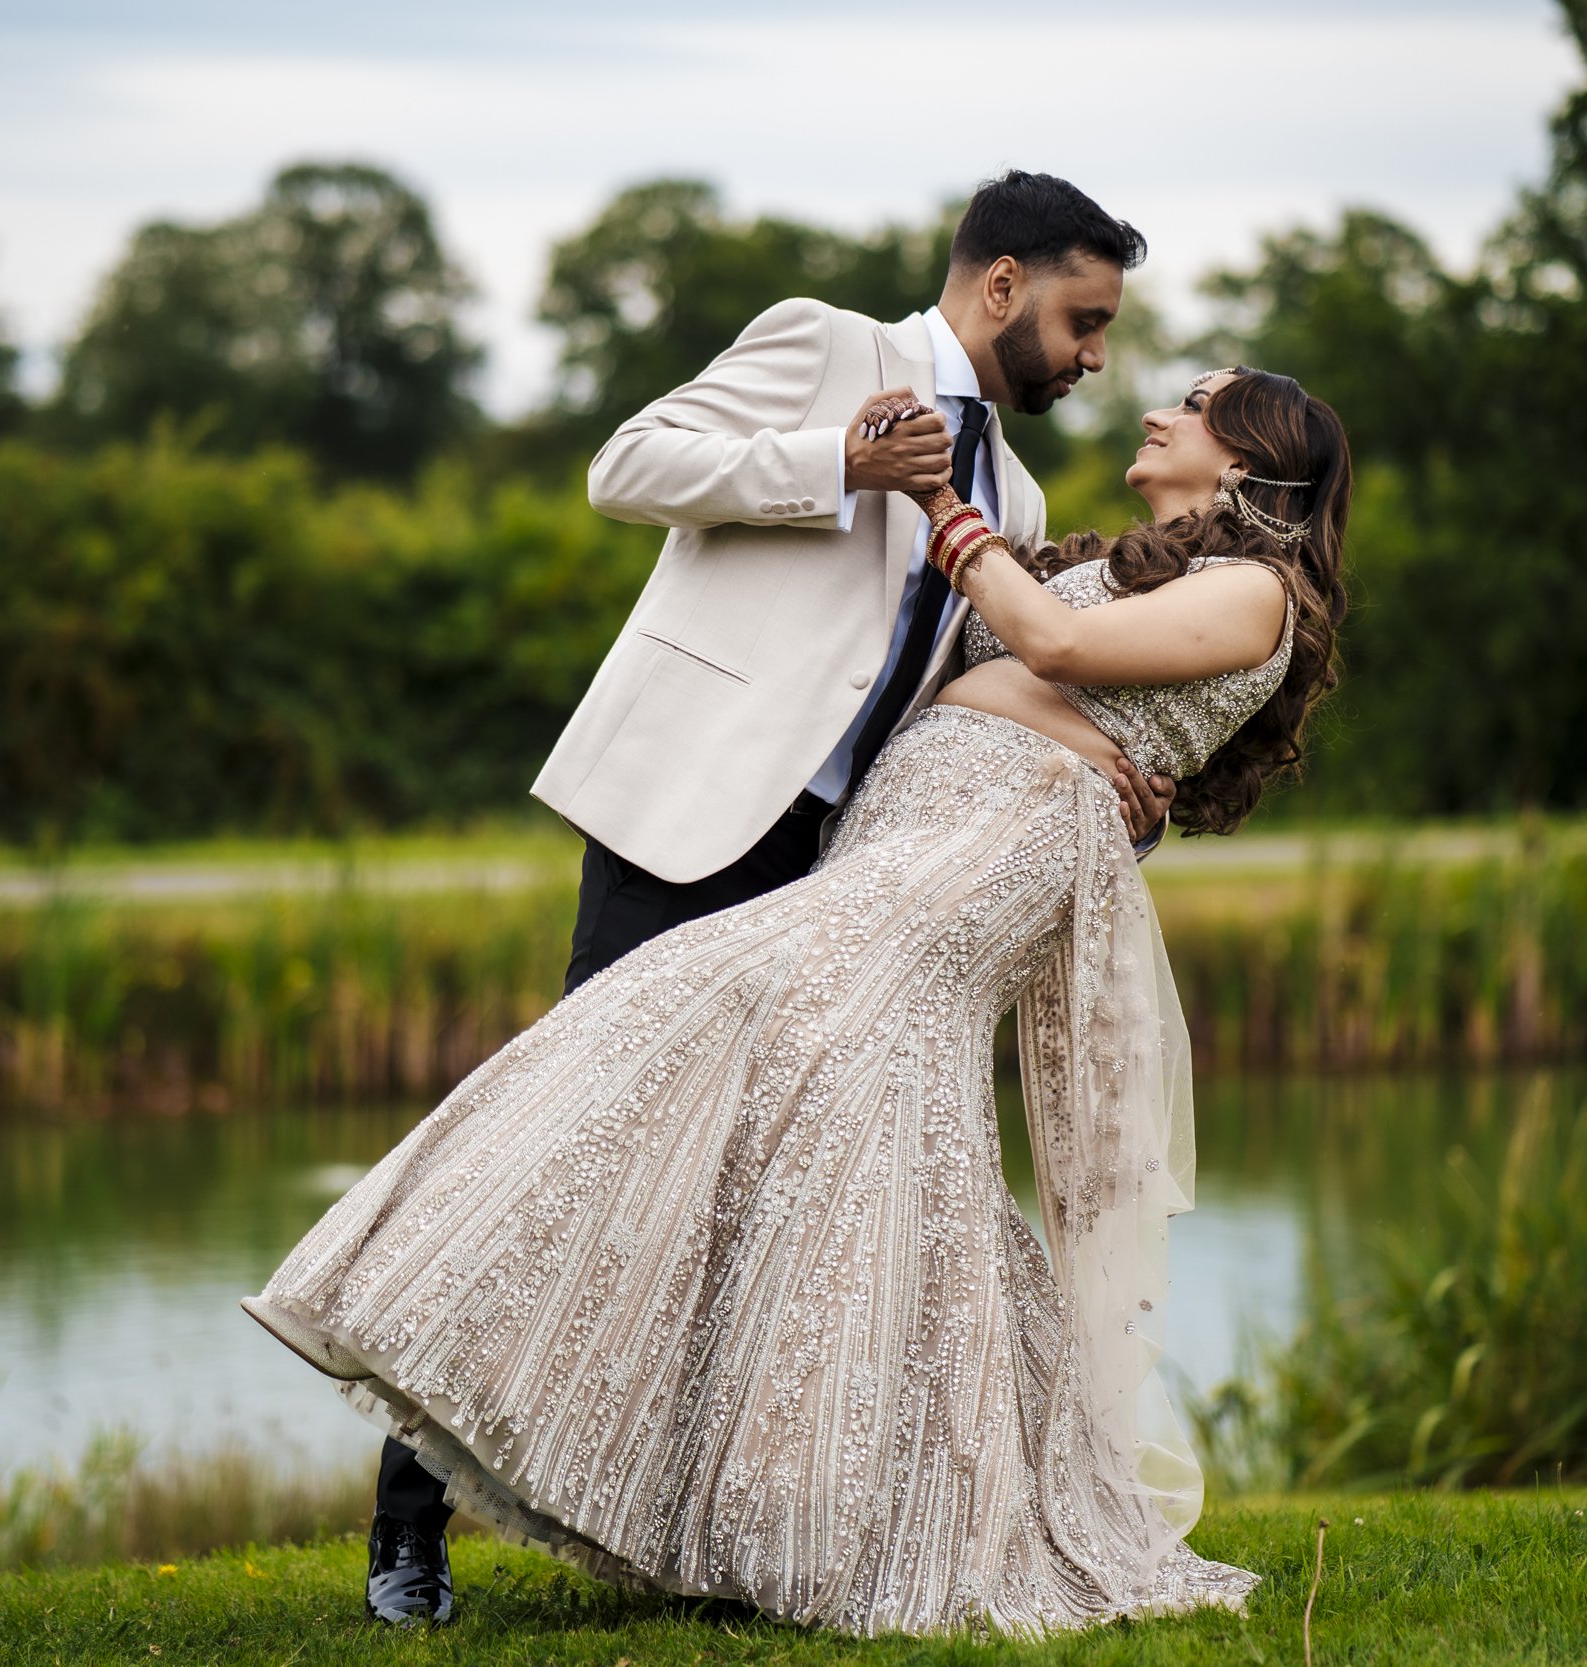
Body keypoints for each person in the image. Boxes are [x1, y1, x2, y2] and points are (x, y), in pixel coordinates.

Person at [244, 359, 1352, 1636]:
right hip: (859, 829)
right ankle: (787, 1501)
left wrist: (945, 509)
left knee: (673, 1024)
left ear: (1248, 454)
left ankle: (487, 1351)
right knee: (843, 1142)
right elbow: (1005, 678)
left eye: (1193, 402)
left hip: (958, 869)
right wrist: (1066, 715)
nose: (1146, 398)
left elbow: (1053, 647)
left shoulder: (1248, 589)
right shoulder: (900, 397)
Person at [333, 168, 1162, 1628]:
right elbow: (628, 466)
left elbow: (955, 695)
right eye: (1084, 321)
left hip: (836, 873)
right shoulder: (823, 343)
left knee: (746, 1198)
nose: (1094, 357)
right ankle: (412, 1528)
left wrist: (1105, 771)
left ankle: (691, 1527)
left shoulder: (1015, 494)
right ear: (1003, 285)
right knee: (570, 1159)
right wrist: (835, 459)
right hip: (685, 819)